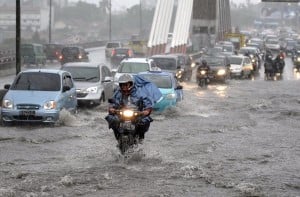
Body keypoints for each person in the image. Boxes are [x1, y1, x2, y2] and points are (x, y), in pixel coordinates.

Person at [105, 74, 161, 144]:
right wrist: (112, 108)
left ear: (130, 84)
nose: (124, 87)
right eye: (122, 85)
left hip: (137, 114)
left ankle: (140, 137)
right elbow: (113, 102)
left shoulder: (139, 92)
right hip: (121, 114)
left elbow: (147, 102)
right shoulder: (118, 93)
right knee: (112, 119)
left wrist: (146, 110)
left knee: (144, 121)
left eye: (126, 85)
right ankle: (118, 136)